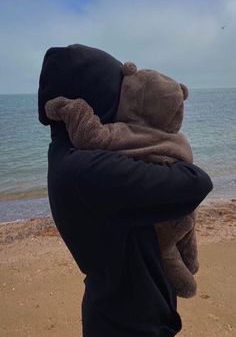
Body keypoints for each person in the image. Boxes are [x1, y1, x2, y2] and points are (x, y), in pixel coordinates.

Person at [38, 43, 213, 337]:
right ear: (93, 97)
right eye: (116, 93)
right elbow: (195, 182)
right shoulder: (86, 171)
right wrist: (161, 144)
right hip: (129, 334)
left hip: (118, 314)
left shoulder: (69, 156)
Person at [44, 62, 199, 299]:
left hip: (161, 219)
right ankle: (192, 265)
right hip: (185, 209)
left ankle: (185, 282)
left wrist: (73, 108)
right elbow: (194, 177)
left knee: (166, 248)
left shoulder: (126, 133)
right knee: (186, 233)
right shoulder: (179, 140)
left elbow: (91, 137)